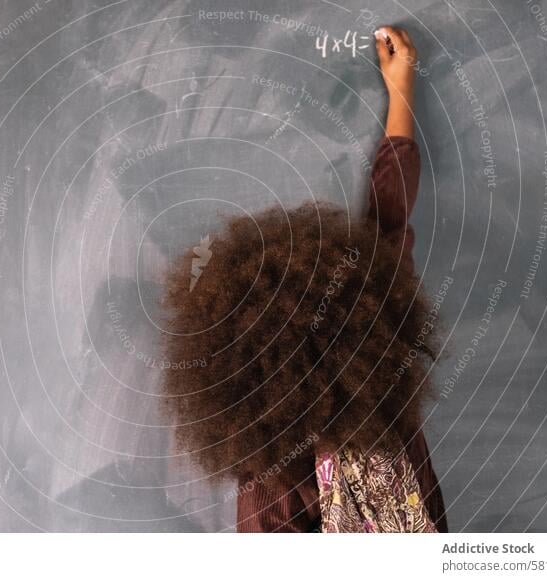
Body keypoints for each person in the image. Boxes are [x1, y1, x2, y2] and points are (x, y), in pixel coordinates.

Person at [160, 26, 447, 533]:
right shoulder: (383, 395)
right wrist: (402, 91)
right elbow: (391, 223)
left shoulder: (272, 478)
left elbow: (389, 230)